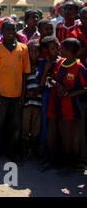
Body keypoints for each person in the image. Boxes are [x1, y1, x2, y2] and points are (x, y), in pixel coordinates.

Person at [0, 19, 31, 164]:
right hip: (2, 93)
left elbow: (25, 72)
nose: (10, 33)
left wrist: (23, 94)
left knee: (15, 125)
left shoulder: (23, 48)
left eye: (13, 30)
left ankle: (12, 152)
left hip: (17, 94)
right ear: (2, 31)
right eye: (7, 30)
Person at [45, 38, 87, 171]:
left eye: (61, 48)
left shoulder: (80, 68)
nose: (59, 50)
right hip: (55, 104)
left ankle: (72, 163)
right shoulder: (60, 62)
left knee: (69, 136)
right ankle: (55, 161)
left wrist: (70, 94)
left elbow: (85, 88)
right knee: (54, 133)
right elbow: (49, 78)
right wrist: (56, 84)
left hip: (70, 108)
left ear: (68, 51)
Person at [37, 36, 61, 164]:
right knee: (45, 123)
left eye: (57, 47)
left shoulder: (63, 62)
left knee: (58, 123)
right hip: (47, 95)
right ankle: (44, 151)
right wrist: (46, 70)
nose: (56, 50)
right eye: (52, 48)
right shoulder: (43, 63)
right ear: (47, 50)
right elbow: (41, 85)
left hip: (59, 97)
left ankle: (56, 152)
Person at [21, 40, 42, 161]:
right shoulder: (24, 65)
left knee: (35, 128)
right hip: (27, 103)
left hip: (38, 102)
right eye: (31, 51)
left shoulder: (42, 65)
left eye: (36, 51)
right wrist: (25, 93)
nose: (33, 53)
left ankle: (32, 152)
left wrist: (38, 90)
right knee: (25, 128)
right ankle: (24, 152)